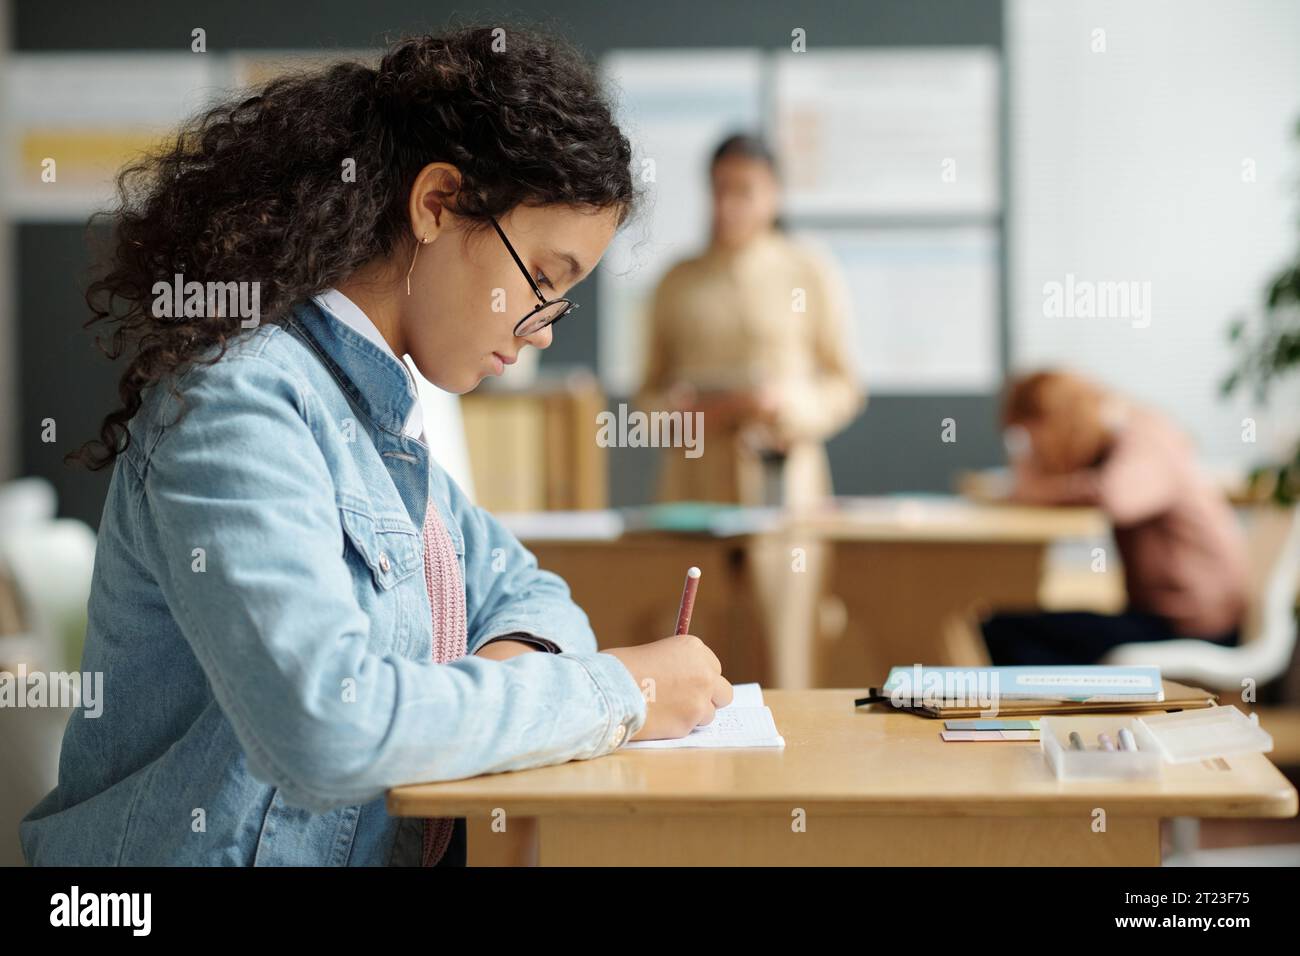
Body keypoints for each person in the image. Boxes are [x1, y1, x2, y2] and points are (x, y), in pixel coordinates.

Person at [20, 26, 732, 868]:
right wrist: (624, 691)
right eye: (542, 279)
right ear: (436, 204)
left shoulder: (379, 422)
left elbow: (534, 594)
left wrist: (499, 685)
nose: (541, 331)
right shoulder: (244, 404)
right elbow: (329, 727)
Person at [637, 134, 864, 508]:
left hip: (784, 483)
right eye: (720, 190)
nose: (728, 205)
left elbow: (845, 385)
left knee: (784, 562)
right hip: (695, 488)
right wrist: (681, 416)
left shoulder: (809, 272)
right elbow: (646, 396)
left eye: (744, 192)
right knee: (694, 568)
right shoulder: (676, 281)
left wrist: (785, 406)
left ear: (774, 195)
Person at [980, 370, 1248, 666]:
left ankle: (1070, 705)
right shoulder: (1119, 436)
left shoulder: (1145, 435)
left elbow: (1117, 499)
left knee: (1002, 633)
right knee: (1009, 627)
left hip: (1195, 626)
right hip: (1162, 617)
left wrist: (1039, 490)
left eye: (1034, 439)